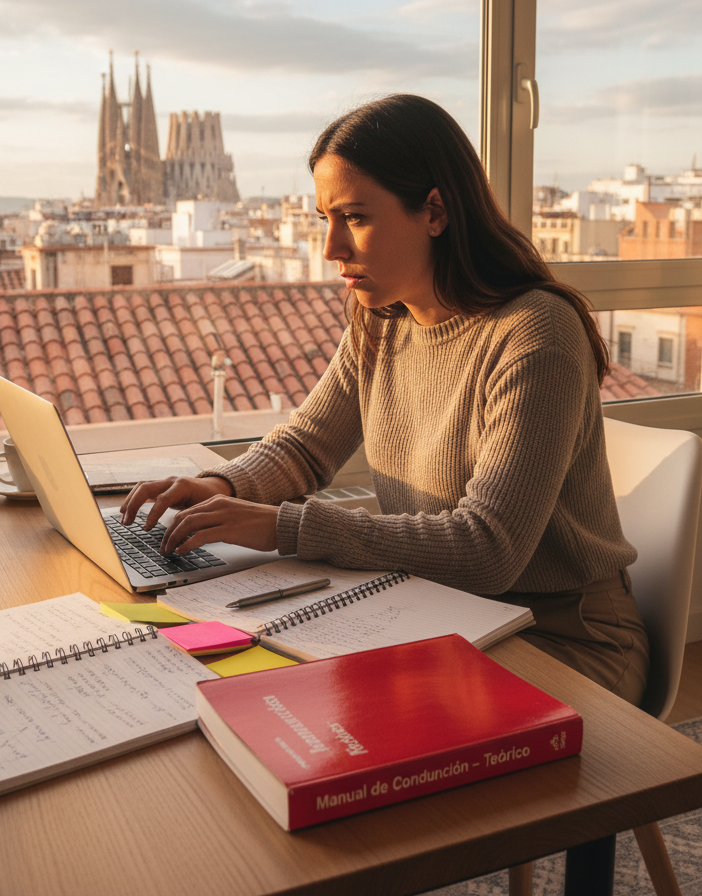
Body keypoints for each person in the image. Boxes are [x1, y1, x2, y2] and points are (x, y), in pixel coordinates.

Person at [121, 94, 649, 706]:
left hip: (563, 636)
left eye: (355, 218)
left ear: (435, 211)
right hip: (435, 611)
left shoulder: (535, 333)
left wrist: (285, 526)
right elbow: (305, 446)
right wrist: (224, 487)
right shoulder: (383, 318)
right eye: (324, 218)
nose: (331, 248)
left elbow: (489, 550)